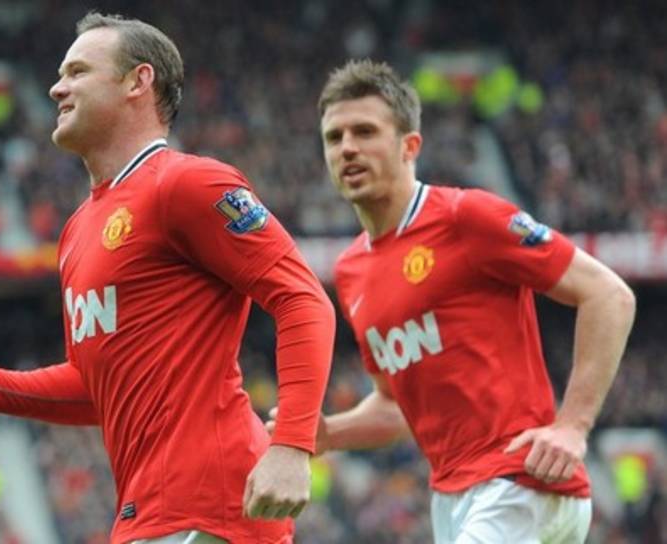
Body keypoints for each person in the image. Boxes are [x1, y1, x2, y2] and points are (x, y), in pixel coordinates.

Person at [0, 12, 335, 544]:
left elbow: (303, 298)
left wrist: (292, 446)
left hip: (211, 504)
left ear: (138, 81)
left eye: (77, 72)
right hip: (153, 513)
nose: (56, 88)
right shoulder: (77, 231)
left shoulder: (188, 183)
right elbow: (96, 387)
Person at [269, 59, 636, 543]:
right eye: (334, 137)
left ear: (410, 146)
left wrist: (573, 426)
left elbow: (608, 294)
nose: (348, 148)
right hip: (452, 497)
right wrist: (330, 434)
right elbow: (395, 407)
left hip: (522, 480)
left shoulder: (467, 217)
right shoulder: (351, 271)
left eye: (365, 131)